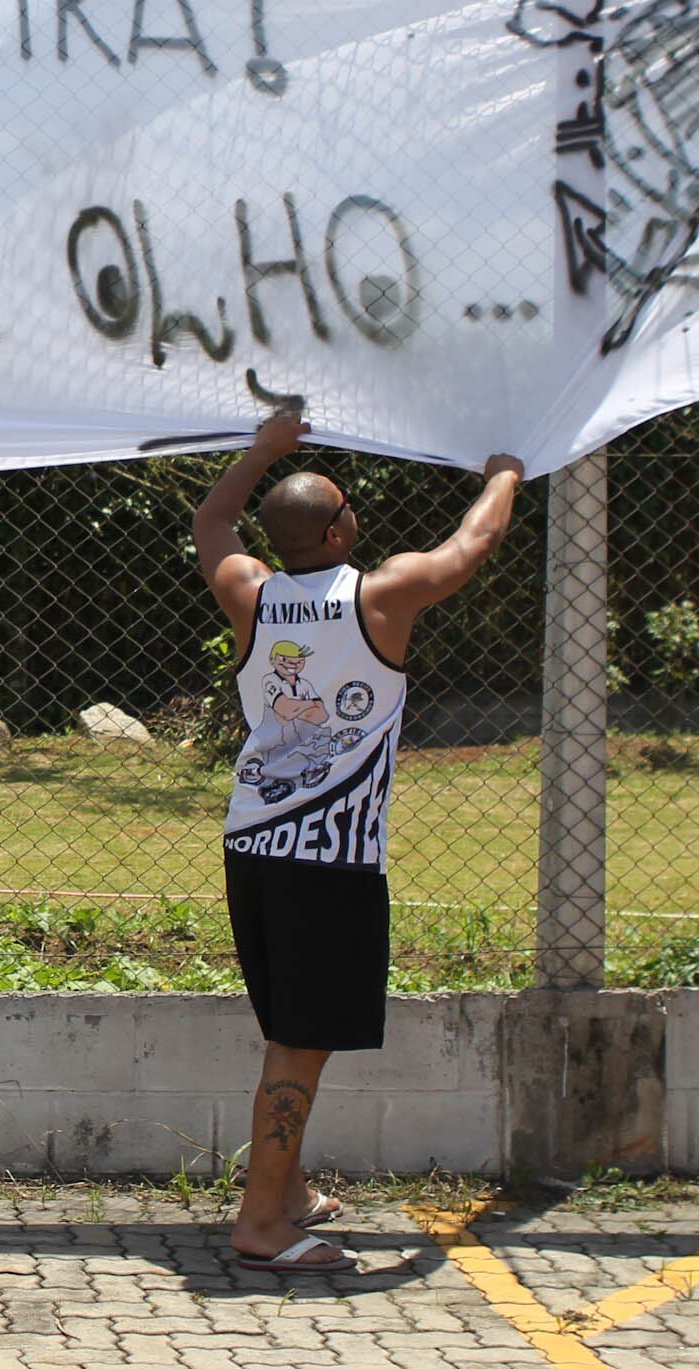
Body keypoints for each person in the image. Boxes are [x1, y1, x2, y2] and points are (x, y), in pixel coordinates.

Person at [192, 413, 524, 1272]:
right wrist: (508, 469)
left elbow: (211, 523)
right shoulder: (379, 595)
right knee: (301, 1040)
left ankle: (289, 1190)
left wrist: (262, 452)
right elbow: (473, 544)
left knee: (289, 1026)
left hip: (252, 842)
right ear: (340, 530)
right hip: (326, 857)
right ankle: (263, 1223)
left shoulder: (253, 593)